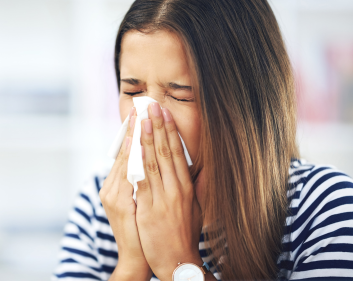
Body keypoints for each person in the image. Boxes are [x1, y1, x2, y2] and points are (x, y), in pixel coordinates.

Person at [52, 0, 353, 280]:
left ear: (245, 102)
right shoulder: (100, 206)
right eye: (132, 91)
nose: (147, 118)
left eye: (182, 94)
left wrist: (179, 263)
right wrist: (132, 264)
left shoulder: (325, 210)